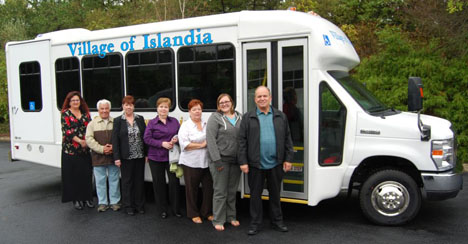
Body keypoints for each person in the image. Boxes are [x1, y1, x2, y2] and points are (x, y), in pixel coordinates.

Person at [238, 86, 294, 235]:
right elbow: (242, 141)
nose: (262, 99)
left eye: (264, 96)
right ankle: (255, 223)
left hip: (276, 163)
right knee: (255, 196)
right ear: (255, 99)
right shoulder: (248, 117)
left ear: (270, 98)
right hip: (255, 164)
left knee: (275, 194)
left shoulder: (280, 116)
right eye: (259, 96)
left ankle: (277, 221)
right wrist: (243, 161)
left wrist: (288, 159)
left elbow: (288, 138)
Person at [206, 94, 242, 231]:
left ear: (232, 103)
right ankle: (218, 220)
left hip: (236, 161)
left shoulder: (240, 117)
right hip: (220, 161)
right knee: (220, 192)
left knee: (232, 191)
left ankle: (231, 217)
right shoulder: (215, 118)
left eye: (227, 102)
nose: (224, 104)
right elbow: (210, 140)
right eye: (221, 102)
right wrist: (217, 161)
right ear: (218, 105)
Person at [144, 97, 182, 219]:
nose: (163, 109)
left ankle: (175, 209)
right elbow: (147, 139)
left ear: (169, 108)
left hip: (172, 158)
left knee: (174, 183)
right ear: (157, 108)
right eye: (161, 107)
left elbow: (180, 134)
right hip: (156, 158)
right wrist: (162, 144)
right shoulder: (151, 123)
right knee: (159, 184)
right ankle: (162, 210)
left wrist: (176, 139)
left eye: (166, 107)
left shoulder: (175, 121)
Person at [178, 99, 213, 224]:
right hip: (191, 163)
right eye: (194, 109)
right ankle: (193, 213)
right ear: (189, 112)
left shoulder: (206, 123)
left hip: (206, 162)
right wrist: (202, 145)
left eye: (199, 109)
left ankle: (206, 212)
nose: (197, 112)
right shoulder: (185, 125)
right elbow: (185, 144)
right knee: (192, 190)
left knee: (209, 188)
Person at [112, 95, 147, 216]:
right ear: (123, 106)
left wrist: (146, 154)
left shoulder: (140, 119)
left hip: (139, 155)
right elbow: (115, 141)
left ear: (134, 106)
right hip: (125, 157)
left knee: (139, 182)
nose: (129, 107)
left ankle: (140, 205)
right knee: (127, 182)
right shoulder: (118, 121)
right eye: (126, 105)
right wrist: (116, 157)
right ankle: (128, 206)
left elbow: (145, 137)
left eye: (131, 105)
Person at [85, 99, 121, 212]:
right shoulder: (92, 124)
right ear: (98, 110)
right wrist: (102, 149)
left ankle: (115, 202)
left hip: (112, 157)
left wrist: (113, 148)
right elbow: (88, 139)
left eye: (106, 108)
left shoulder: (116, 122)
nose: (104, 111)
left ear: (109, 109)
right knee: (100, 181)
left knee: (114, 180)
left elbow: (120, 138)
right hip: (98, 157)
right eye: (102, 108)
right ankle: (102, 203)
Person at [60, 91, 94, 210]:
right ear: (69, 102)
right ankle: (77, 199)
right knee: (74, 176)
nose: (75, 102)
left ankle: (88, 198)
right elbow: (67, 131)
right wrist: (80, 141)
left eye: (77, 100)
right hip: (71, 150)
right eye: (73, 100)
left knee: (86, 174)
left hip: (85, 150)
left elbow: (90, 128)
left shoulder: (85, 113)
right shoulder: (65, 114)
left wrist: (87, 141)